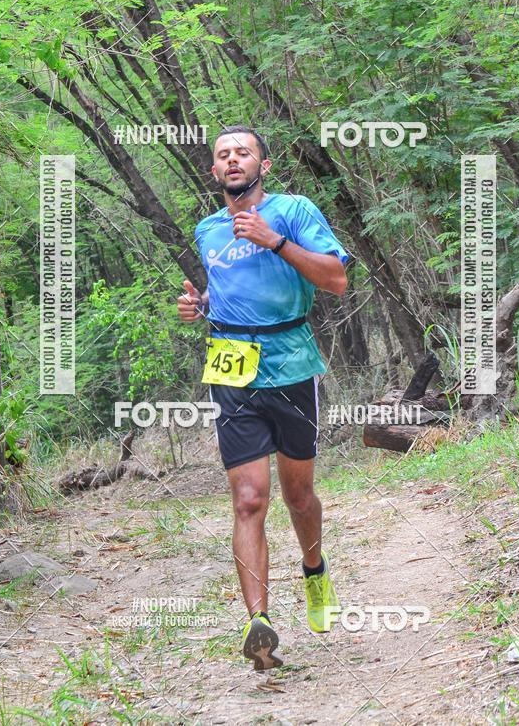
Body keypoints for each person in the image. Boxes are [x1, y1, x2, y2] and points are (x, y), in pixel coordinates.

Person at [176, 126, 348, 670]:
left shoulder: (294, 210)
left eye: (242, 152)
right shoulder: (207, 229)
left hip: (292, 364)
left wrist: (273, 240)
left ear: (263, 165)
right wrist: (199, 305)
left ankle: (315, 570)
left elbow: (336, 280)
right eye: (223, 154)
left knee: (299, 497)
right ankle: (260, 622)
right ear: (214, 171)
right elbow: (228, 292)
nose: (232, 160)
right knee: (249, 498)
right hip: (230, 368)